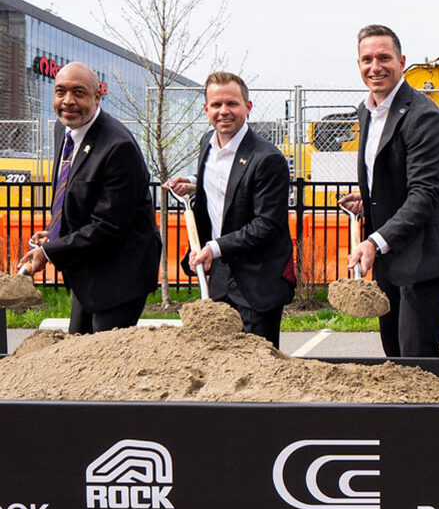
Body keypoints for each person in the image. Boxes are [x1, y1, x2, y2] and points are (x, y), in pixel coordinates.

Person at [339, 24, 439, 358]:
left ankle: (428, 411)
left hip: (424, 255)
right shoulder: (367, 112)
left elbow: (424, 194)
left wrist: (373, 241)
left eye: (384, 57)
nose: (375, 66)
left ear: (402, 61)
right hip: (388, 253)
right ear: (359, 64)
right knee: (393, 351)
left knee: (416, 355)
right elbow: (392, 174)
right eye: (367, 59)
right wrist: (368, 201)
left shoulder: (424, 117)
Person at [18, 62, 161, 333]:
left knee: (105, 363)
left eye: (79, 93)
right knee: (78, 346)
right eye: (60, 92)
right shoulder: (66, 130)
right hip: (87, 269)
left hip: (119, 276)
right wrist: (56, 232)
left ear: (97, 96)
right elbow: (78, 195)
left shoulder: (119, 147)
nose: (68, 101)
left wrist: (49, 252)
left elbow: (108, 225)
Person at [164, 72, 295, 348]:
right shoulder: (207, 143)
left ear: (247, 107)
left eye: (232, 104)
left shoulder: (267, 159)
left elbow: (266, 225)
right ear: (206, 109)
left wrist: (214, 248)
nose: (224, 111)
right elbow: (228, 183)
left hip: (258, 281)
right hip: (222, 277)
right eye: (216, 105)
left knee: (259, 369)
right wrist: (193, 183)